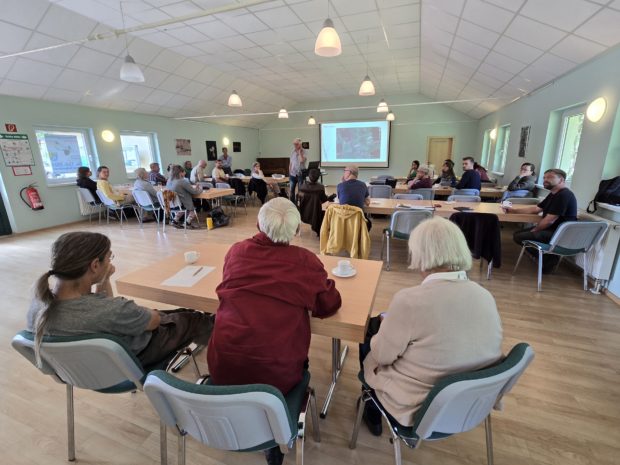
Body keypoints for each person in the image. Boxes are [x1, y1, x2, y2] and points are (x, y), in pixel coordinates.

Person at [207, 198, 341, 465]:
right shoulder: (304, 261)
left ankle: (245, 425)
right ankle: (273, 437)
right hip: (277, 378)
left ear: (258, 225)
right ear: (296, 230)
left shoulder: (236, 252)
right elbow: (328, 305)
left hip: (222, 367)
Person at [358, 216, 503, 435]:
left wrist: (386, 331)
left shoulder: (409, 301)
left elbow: (382, 356)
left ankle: (372, 410)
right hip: (470, 402)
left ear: (419, 253)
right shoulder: (485, 296)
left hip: (421, 406)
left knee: (369, 333)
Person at [27, 232, 215, 369]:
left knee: (177, 313)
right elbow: (153, 321)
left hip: (87, 371)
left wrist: (105, 279)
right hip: (136, 358)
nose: (110, 262)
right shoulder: (114, 310)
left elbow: (104, 310)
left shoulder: (38, 306)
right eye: (109, 258)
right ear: (95, 265)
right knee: (197, 319)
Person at [505, 168, 577, 273]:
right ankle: (547, 257)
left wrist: (536, 229)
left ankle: (550, 259)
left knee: (520, 237)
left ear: (561, 180)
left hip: (560, 233)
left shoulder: (564, 195)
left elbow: (549, 220)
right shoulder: (553, 193)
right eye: (544, 177)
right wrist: (514, 211)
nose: (545, 180)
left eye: (550, 177)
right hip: (552, 230)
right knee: (517, 234)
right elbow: (536, 209)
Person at [298, 168, 335, 235]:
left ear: (308, 177)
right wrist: (331, 197)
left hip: (303, 213)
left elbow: (298, 199)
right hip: (316, 214)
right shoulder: (320, 188)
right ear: (318, 178)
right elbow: (324, 200)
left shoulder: (302, 187)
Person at [167, 164, 202, 229]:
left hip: (173, 203)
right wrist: (200, 188)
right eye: (183, 172)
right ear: (180, 173)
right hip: (184, 202)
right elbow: (194, 192)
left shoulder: (169, 181)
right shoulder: (182, 181)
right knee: (195, 207)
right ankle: (187, 223)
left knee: (182, 209)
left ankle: (174, 221)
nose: (184, 173)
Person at [337, 164, 371, 230]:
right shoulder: (363, 185)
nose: (344, 173)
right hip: (358, 221)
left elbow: (340, 201)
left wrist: (343, 183)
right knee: (369, 223)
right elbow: (368, 202)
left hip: (343, 220)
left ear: (349, 172)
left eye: (345, 171)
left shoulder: (340, 185)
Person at [289, 138, 307, 204]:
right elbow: (290, 163)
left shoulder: (304, 151)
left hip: (300, 174)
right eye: (294, 144)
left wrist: (299, 153)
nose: (295, 145)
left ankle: (301, 204)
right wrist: (289, 172)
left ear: (300, 144)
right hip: (292, 174)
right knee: (291, 190)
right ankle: (292, 204)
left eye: (296, 144)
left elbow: (302, 161)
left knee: (301, 190)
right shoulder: (292, 152)